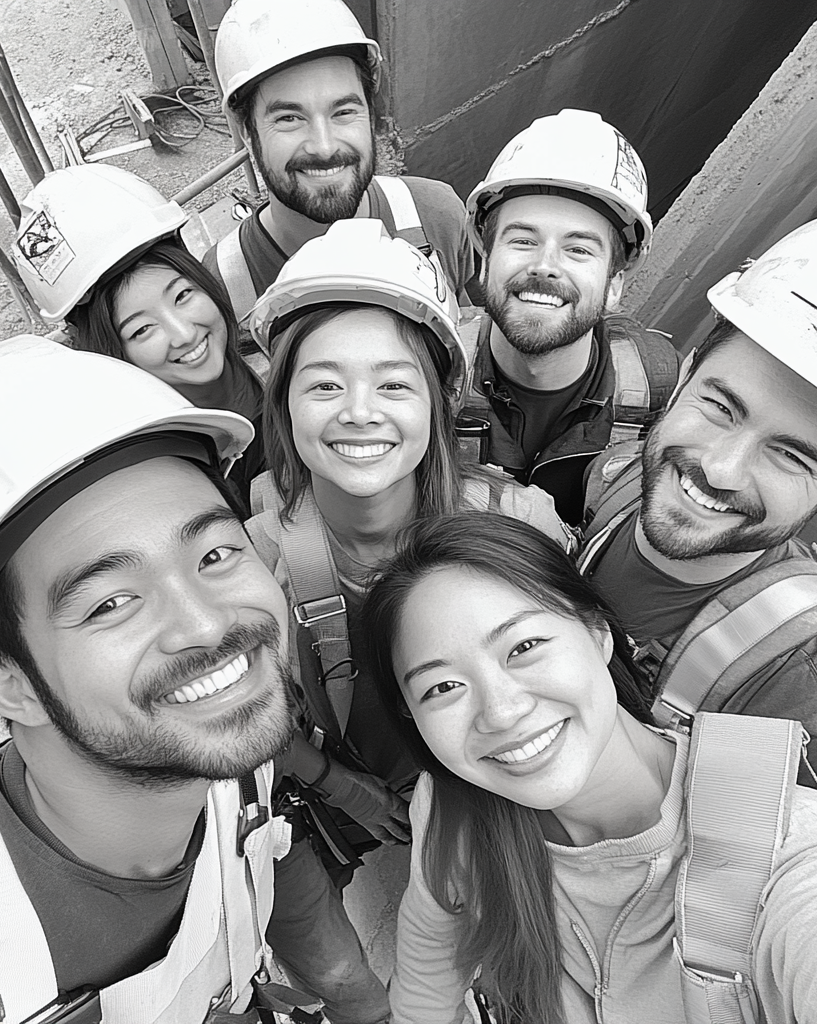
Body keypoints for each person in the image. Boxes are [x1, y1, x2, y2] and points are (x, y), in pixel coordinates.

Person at [0, 336, 302, 1023]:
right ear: (11, 686)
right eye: (109, 603)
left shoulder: (227, 755)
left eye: (216, 553)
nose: (205, 623)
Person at [360, 511, 817, 1024]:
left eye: (524, 646)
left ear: (598, 634)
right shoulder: (453, 807)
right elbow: (427, 972)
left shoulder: (792, 854)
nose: (501, 712)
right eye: (444, 687)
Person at [243, 218, 575, 1023]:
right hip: (338, 778)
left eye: (394, 384)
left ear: (438, 403)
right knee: (344, 959)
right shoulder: (256, 560)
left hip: (492, 774)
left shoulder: (518, 524)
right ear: (283, 406)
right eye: (324, 384)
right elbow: (250, 716)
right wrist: (341, 788)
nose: (360, 412)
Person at [578, 206, 817, 839]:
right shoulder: (616, 478)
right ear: (685, 375)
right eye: (720, 406)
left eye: (791, 455)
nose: (718, 470)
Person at [458, 110, 680, 525]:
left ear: (615, 282)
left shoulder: (659, 386)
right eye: (523, 240)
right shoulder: (432, 366)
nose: (545, 266)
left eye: (578, 249)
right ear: (485, 260)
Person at [205, 0, 481, 331]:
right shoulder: (222, 288)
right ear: (246, 131)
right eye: (289, 118)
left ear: (370, 111)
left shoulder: (436, 217)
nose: (324, 147)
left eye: (343, 112)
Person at [12, 163, 266, 497]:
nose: (184, 334)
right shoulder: (151, 474)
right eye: (143, 329)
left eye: (183, 295)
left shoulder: (279, 353)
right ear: (106, 348)